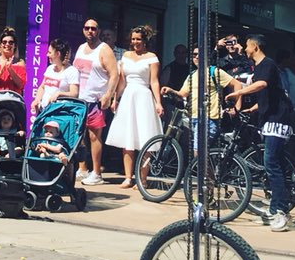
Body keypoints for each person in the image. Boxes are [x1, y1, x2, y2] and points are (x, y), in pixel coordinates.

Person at [226, 34, 293, 231]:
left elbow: (262, 85)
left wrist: (239, 92)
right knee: (274, 163)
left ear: (255, 46)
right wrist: (254, 108)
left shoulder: (268, 64)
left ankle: (281, 211)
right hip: (270, 118)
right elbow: (269, 93)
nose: (245, 49)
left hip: (277, 120)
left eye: (247, 46)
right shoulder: (262, 67)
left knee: (271, 163)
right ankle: (274, 209)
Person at [106, 25, 164, 189]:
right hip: (128, 97)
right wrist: (115, 98)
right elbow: (122, 81)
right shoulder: (125, 56)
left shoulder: (152, 57)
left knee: (146, 139)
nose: (135, 42)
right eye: (133, 39)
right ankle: (128, 177)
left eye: (138, 39)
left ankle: (142, 179)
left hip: (144, 97)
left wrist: (158, 102)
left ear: (145, 40)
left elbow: (154, 81)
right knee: (128, 139)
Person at [161, 46, 240, 149]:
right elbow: (182, 94)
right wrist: (170, 90)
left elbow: (237, 84)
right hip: (193, 117)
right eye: (194, 55)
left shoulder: (214, 71)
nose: (197, 57)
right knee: (202, 155)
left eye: (200, 54)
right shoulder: (192, 75)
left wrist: (237, 107)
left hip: (209, 117)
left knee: (198, 152)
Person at [72, 18, 119, 186]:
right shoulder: (80, 48)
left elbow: (115, 74)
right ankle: (83, 169)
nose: (90, 31)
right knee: (80, 135)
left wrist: (108, 95)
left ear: (98, 31)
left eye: (93, 28)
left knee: (94, 136)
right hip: (80, 99)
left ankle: (97, 172)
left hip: (95, 99)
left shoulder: (104, 49)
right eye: (87, 28)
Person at [32, 39, 79, 113]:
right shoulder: (50, 68)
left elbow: (74, 93)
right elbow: (42, 87)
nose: (47, 55)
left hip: (60, 113)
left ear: (58, 54)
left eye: (50, 52)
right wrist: (37, 100)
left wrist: (59, 94)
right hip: (44, 111)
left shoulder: (72, 71)